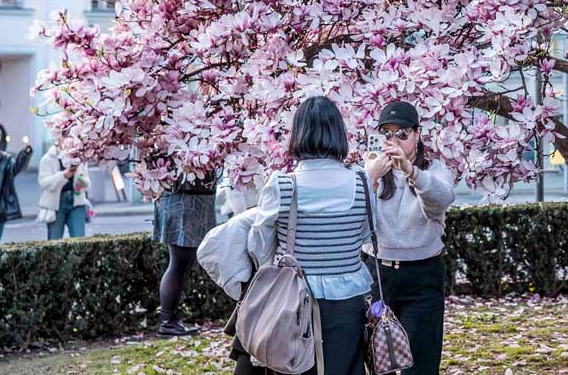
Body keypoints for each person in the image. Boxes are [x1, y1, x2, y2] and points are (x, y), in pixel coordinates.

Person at [234, 96, 384, 375]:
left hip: (291, 299)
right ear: (339, 133)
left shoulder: (282, 185)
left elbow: (259, 245)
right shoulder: (361, 182)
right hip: (348, 298)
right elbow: (366, 235)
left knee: (292, 366)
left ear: (298, 134)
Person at [363, 101, 456, 375]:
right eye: (387, 133)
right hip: (378, 273)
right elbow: (355, 217)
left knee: (421, 362)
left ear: (417, 134)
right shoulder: (371, 170)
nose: (394, 140)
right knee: (377, 360)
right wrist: (370, 178)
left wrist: (410, 171)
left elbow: (442, 199)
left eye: (402, 133)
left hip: (422, 274)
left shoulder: (435, 171)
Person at [153, 166, 217, 336]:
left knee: (182, 263)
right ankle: (167, 321)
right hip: (184, 198)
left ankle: (170, 319)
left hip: (188, 196)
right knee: (179, 263)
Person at [37, 142, 90, 239]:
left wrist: (83, 182)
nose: (67, 139)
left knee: (79, 240)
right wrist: (63, 175)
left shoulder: (79, 157)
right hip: (55, 204)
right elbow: (43, 182)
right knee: (55, 241)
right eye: (64, 135)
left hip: (77, 201)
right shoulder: (48, 158)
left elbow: (87, 180)